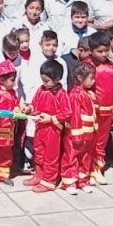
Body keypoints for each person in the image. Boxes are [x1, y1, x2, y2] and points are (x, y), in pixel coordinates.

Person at [22, 60, 71, 193]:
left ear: (57, 79)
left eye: (47, 81)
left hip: (53, 131)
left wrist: (51, 118)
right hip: (40, 128)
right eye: (43, 80)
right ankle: (38, 175)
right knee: (39, 152)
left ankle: (49, 181)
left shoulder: (61, 94)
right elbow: (35, 104)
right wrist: (29, 109)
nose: (44, 83)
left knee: (50, 156)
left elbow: (67, 113)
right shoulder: (41, 89)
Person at [85, 31, 113, 184]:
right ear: (91, 50)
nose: (103, 54)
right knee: (88, 140)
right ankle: (85, 169)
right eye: (99, 51)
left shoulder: (112, 66)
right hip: (90, 111)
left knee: (101, 142)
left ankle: (97, 169)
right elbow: (81, 85)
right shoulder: (87, 65)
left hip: (107, 111)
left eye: (106, 50)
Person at [60, 63, 97, 194]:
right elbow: (74, 115)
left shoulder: (87, 93)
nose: (94, 81)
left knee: (86, 158)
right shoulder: (75, 95)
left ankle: (83, 180)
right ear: (80, 78)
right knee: (71, 157)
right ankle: (69, 182)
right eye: (91, 78)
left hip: (88, 134)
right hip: (75, 135)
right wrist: (76, 134)